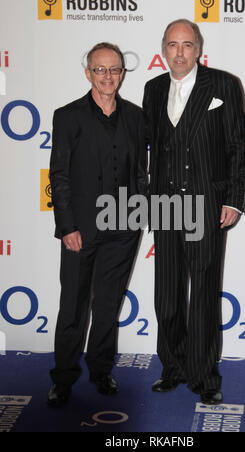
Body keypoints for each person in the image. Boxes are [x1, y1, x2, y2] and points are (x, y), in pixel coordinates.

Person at [143, 19, 245, 405]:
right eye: (173, 44)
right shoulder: (153, 89)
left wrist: (234, 198)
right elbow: (149, 146)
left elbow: (237, 146)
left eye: (187, 44)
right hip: (166, 206)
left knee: (203, 293)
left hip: (205, 204)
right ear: (164, 49)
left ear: (198, 49)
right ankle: (173, 367)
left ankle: (205, 375)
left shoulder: (223, 85)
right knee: (167, 296)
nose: (180, 52)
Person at [48, 42, 147, 406]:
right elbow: (59, 176)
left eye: (115, 69)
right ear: (88, 72)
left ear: (122, 73)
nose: (108, 76)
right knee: (73, 305)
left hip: (123, 230)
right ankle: (62, 378)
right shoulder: (68, 116)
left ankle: (102, 370)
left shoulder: (136, 118)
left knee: (108, 305)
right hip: (81, 231)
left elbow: (140, 171)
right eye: (101, 69)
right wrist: (67, 227)